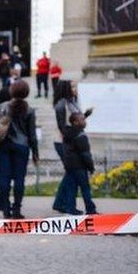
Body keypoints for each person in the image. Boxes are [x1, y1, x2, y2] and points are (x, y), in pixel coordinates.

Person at [0, 80, 39, 219]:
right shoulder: (29, 110)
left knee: (3, 177)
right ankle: (17, 209)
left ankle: (5, 208)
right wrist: (35, 152)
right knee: (19, 179)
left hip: (4, 145)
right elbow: (32, 135)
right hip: (22, 147)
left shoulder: (3, 107)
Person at [52, 80, 94, 214]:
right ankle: (65, 204)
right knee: (72, 172)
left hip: (72, 140)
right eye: (73, 87)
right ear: (66, 89)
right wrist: (73, 137)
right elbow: (63, 126)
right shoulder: (62, 105)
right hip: (64, 142)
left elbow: (76, 119)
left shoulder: (72, 102)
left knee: (71, 173)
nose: (75, 89)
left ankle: (60, 203)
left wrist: (86, 114)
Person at [62, 112, 98, 215]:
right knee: (85, 189)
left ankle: (70, 209)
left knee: (71, 189)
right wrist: (91, 167)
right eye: (82, 120)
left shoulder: (67, 133)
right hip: (80, 166)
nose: (84, 121)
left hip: (69, 166)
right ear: (75, 122)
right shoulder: (80, 135)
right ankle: (90, 209)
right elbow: (85, 154)